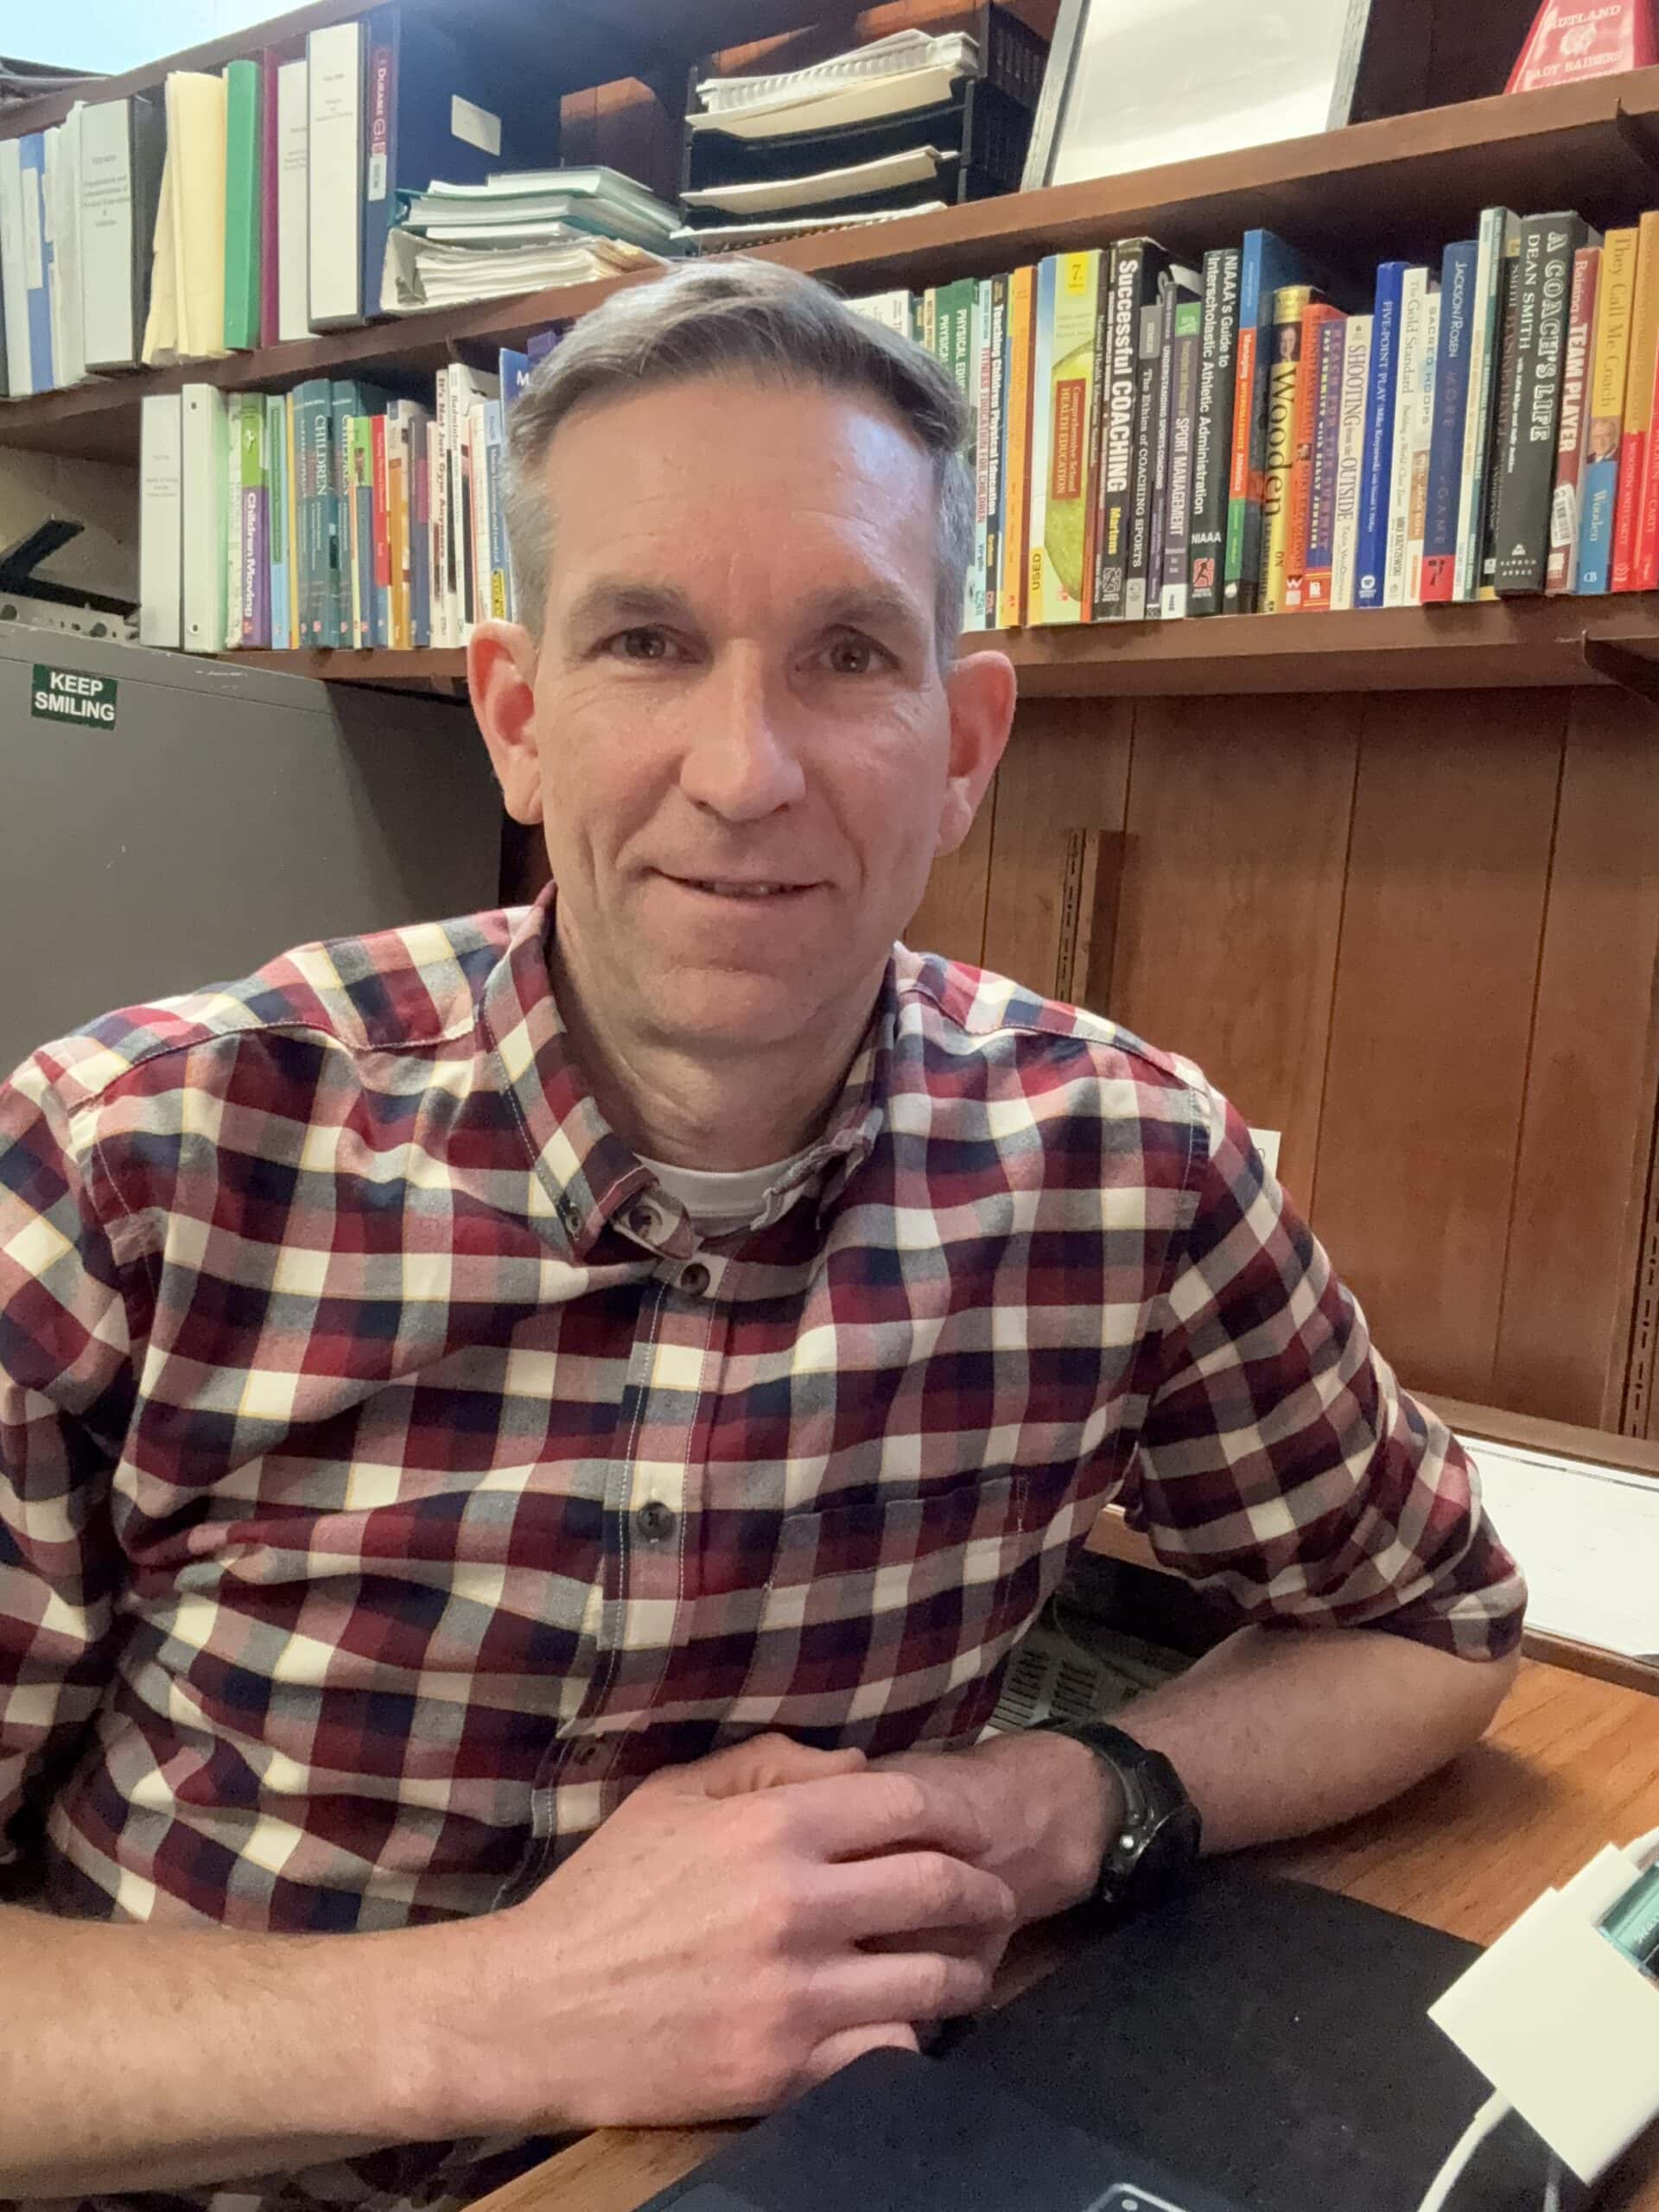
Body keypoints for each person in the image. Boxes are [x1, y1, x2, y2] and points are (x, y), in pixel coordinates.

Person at [0, 258, 1523, 2212]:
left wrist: (1052, 1807)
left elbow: (1435, 1620)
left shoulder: (1121, 1173)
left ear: (964, 742)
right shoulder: (128, 1166)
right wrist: (515, 2005)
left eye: (847, 654)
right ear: (517, 716)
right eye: (646, 640)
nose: (746, 769)